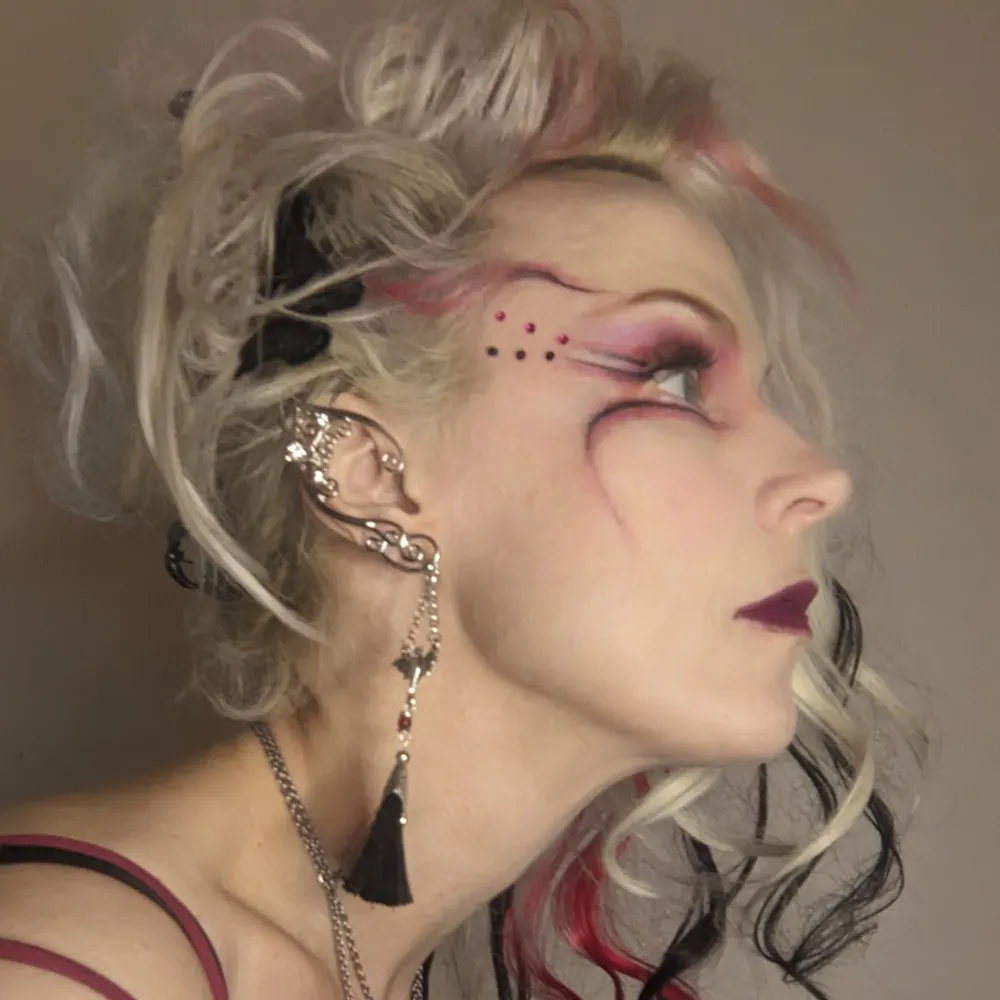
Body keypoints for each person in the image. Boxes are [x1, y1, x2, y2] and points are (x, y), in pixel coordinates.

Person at [0, 1, 926, 998]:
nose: (819, 478)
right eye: (672, 377)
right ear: (368, 473)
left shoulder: (346, 963)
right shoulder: (75, 970)